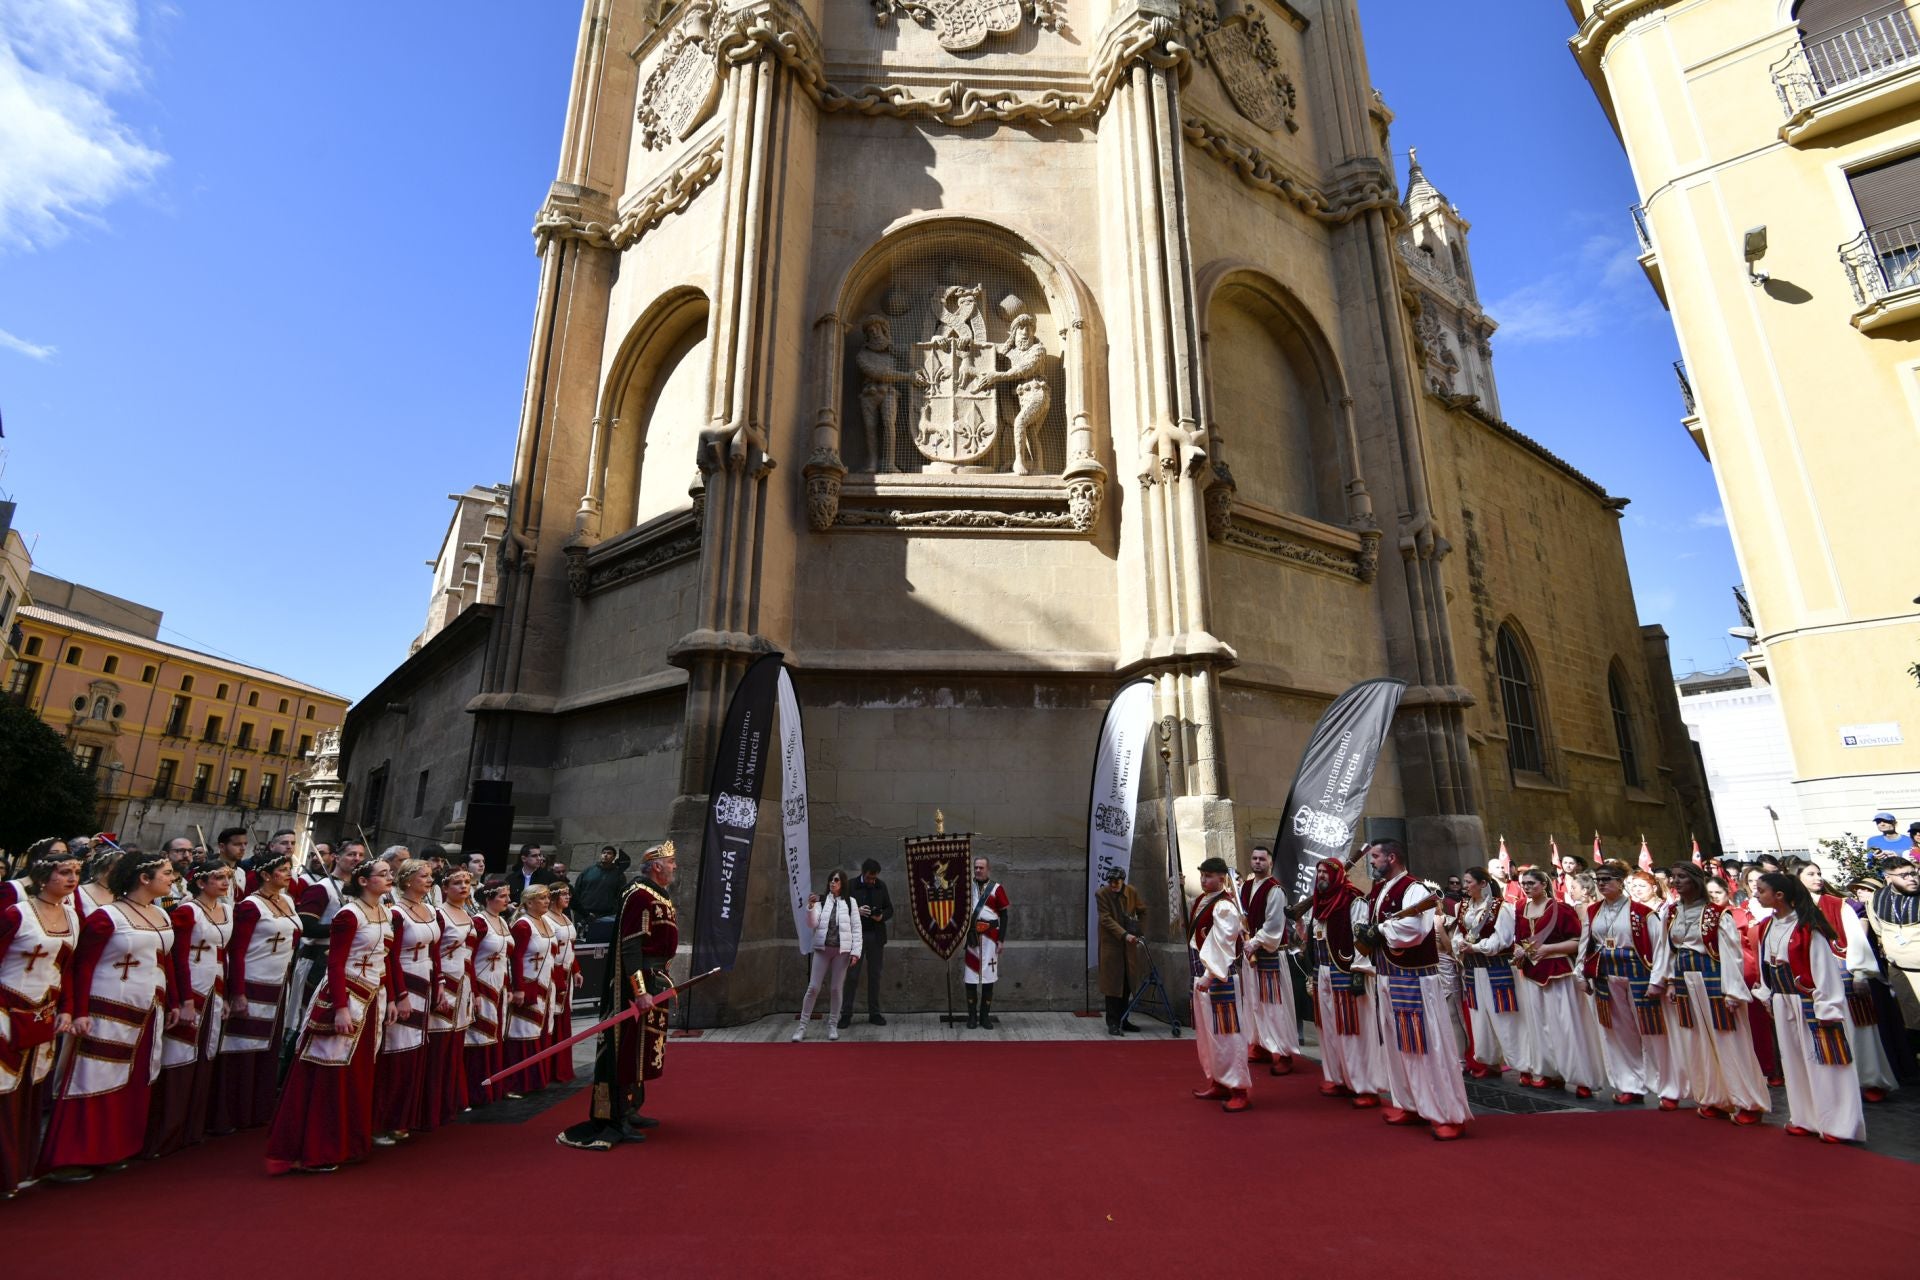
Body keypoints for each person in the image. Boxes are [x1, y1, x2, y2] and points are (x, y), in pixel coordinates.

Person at [38, 850, 183, 1182]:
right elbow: (81, 965)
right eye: (165, 873)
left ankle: (117, 1148)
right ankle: (73, 1156)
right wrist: (77, 1011)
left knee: (134, 1079)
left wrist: (175, 1000)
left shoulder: (162, 916)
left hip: (147, 1010)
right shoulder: (107, 917)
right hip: (106, 1009)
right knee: (93, 1078)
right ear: (143, 878)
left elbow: (166, 961)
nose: (171, 878)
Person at [265, 858, 399, 1175]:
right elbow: (335, 964)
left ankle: (347, 1142)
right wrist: (340, 1007)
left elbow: (386, 960)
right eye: (383, 874)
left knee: (358, 1072)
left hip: (372, 999)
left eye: (390, 874)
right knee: (330, 1070)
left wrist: (391, 997)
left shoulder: (386, 913)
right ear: (364, 881)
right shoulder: (348, 915)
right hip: (346, 996)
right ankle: (316, 1148)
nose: (389, 878)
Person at [558, 843, 680, 1151]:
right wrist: (639, 991)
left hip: (656, 979)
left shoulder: (657, 894)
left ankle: (631, 1106)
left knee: (641, 1046)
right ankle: (615, 1115)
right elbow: (631, 946)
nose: (675, 866)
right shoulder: (638, 895)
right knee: (624, 1048)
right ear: (656, 866)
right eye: (671, 862)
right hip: (635, 986)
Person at [1355, 840, 1469, 1140]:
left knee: (1426, 1046)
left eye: (1376, 857)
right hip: (1388, 977)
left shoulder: (1414, 889)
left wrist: (1379, 931)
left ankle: (1446, 1113)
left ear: (1392, 857)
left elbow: (1415, 932)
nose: (1373, 862)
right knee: (1396, 1045)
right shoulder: (1380, 890)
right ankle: (1410, 1102)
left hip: (1415, 981)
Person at [1754, 872, 1865, 1143]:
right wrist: (1768, 995)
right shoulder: (1767, 926)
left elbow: (1824, 970)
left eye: (1761, 890)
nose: (1756, 894)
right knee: (1794, 1062)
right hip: (1783, 1001)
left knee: (1827, 1062)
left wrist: (1826, 1006)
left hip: (1810, 1002)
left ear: (1779, 895)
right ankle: (1806, 1117)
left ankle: (1839, 1123)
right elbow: (1764, 965)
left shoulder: (1807, 927)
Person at [0, 844, 81, 1198]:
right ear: (43, 877)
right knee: (3, 1090)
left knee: (31, 1091)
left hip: (44, 1012)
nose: (72, 879)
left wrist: (67, 1008)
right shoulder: (17, 914)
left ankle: (20, 1167)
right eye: (65, 873)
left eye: (76, 873)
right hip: (6, 1010)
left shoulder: (73, 917)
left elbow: (68, 969)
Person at [1663, 862, 1769, 1125]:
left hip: (1714, 978)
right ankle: (1714, 1098)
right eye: (1674, 877)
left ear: (1696, 880)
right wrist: (1670, 982)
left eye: (1682, 877)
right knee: (1696, 1040)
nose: (1676, 882)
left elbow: (1730, 955)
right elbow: (1667, 950)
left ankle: (1747, 1102)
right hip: (1685, 978)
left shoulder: (1717, 914)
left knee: (1728, 1040)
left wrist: (1732, 991)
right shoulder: (1672, 913)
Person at [211, 844, 301, 1133]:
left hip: (278, 982)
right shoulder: (251, 906)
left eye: (289, 870)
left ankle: (256, 1109)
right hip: (252, 981)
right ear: (264, 874)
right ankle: (230, 1111)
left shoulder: (286, 901)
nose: (288, 875)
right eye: (282, 870)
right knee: (242, 1047)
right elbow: (237, 951)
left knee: (267, 1047)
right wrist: (237, 991)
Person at [147, 860, 234, 1157]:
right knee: (180, 1055)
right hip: (192, 991)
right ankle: (167, 1131)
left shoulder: (226, 910)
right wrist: (183, 999)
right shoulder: (187, 911)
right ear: (201, 882)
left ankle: (193, 1128)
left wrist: (228, 994)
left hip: (215, 990)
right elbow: (179, 957)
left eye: (228, 877)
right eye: (218, 878)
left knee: (205, 1054)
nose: (224, 882)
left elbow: (225, 955)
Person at [1583, 861, 1679, 1109]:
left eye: (1608, 879)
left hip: (1638, 974)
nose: (1602, 884)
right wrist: (1581, 975)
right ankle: (1630, 1085)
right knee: (1618, 1032)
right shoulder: (1593, 911)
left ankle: (1667, 1088)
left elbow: (1660, 948)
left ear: (1621, 882)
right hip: (1607, 975)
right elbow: (1586, 946)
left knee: (1653, 1032)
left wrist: (1659, 980)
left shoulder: (1641, 912)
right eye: (1599, 880)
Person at [1308, 855, 1385, 1107]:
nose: (1320, 876)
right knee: (1328, 1029)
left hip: (1346, 971)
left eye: (1325, 873)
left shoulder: (1353, 899)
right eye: (1318, 872)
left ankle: (1365, 1086)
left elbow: (1361, 937)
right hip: (1323, 972)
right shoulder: (1318, 902)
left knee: (1354, 1030)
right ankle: (1339, 1077)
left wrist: (1358, 971)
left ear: (1337, 875)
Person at [372, 859, 438, 1144]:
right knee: (396, 1051)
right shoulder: (396, 913)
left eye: (431, 876)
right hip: (405, 983)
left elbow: (435, 953)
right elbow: (390, 957)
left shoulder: (432, 911)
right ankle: (382, 1121)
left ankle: (405, 1116)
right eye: (424, 876)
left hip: (425, 981)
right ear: (408, 880)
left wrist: (440, 986)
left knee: (414, 1051)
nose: (429, 880)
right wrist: (399, 995)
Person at [1188, 857, 1251, 1112]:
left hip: (1219, 978)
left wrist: (1209, 975)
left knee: (1229, 1035)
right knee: (1209, 1036)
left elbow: (1223, 945)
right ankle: (1219, 1081)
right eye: (1202, 875)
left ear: (1222, 879)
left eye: (1209, 876)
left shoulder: (1224, 906)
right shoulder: (1204, 902)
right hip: (1203, 977)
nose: (1204, 880)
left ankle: (1239, 1089)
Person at [291, 839, 365, 1037]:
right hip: (317, 959)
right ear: (336, 858)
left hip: (346, 963)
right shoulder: (322, 888)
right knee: (308, 1020)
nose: (356, 859)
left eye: (360, 855)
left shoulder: (361, 892)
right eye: (351, 854)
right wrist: (341, 929)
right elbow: (305, 926)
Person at [1453, 865, 1521, 1079]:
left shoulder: (1501, 907)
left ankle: (1522, 1065)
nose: (1465, 887)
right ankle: (1490, 1063)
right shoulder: (1463, 907)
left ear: (1483, 884)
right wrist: (1460, 944)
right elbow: (1457, 932)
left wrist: (1476, 947)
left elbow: (1503, 938)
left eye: (1469, 882)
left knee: (1504, 1015)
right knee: (1480, 1016)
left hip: (1496, 967)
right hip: (1473, 969)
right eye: (1464, 882)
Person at [1238, 845, 1299, 1074]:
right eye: (1254, 858)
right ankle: (1261, 1045)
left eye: (1262, 859)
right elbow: (1241, 917)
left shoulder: (1275, 890)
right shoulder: (1245, 887)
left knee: (1274, 1006)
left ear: (1270, 862)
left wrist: (1255, 941)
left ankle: (1284, 1053)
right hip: (1250, 954)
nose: (1257, 862)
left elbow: (1274, 924)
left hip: (1270, 954)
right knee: (1253, 1003)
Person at [428, 868, 477, 1128]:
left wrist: (474, 992)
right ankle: (433, 1105)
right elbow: (433, 953)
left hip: (463, 986)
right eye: (457, 883)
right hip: (445, 985)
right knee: (439, 1045)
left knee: (456, 1043)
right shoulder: (439, 914)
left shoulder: (468, 916)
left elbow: (468, 956)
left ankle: (450, 1101)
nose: (463, 887)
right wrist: (440, 985)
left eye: (467, 882)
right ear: (445, 888)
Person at [500, 884, 559, 1095]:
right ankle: (514, 1083)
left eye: (548, 898)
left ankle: (535, 1080)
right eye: (542, 898)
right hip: (528, 984)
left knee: (540, 1031)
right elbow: (514, 958)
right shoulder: (523, 926)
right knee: (522, 1032)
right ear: (529, 902)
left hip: (545, 985)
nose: (547, 901)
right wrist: (518, 988)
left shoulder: (546, 922)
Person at [794, 870, 862, 1042]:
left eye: (836, 880)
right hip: (822, 950)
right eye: (831, 879)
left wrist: (855, 952)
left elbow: (856, 928)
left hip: (842, 951)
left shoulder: (851, 902)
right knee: (813, 988)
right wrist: (810, 907)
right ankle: (802, 1027)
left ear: (842, 883)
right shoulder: (821, 901)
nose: (833, 882)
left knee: (836, 989)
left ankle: (832, 1026)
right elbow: (812, 924)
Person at [464, 878, 514, 1109]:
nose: (507, 900)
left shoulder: (502, 922)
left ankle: (495, 1085)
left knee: (496, 1036)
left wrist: (509, 987)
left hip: (500, 985)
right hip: (483, 984)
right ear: (489, 898)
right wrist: (473, 991)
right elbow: (469, 959)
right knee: (480, 1037)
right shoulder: (480, 923)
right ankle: (476, 1090)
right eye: (502, 896)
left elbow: (506, 959)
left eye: (507, 895)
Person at [1867, 857, 1920, 1042]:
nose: (1911, 878)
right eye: (1904, 875)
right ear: (1888, 877)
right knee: (1911, 1023)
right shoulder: (1877, 897)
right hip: (1899, 971)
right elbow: (1878, 930)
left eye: (1913, 873)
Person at [840, 858, 894, 1028]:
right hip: (856, 937)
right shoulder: (850, 885)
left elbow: (889, 908)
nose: (872, 881)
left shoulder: (881, 886)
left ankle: (874, 1013)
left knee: (875, 976)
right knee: (852, 976)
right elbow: (840, 908)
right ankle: (846, 1014)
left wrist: (881, 916)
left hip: (876, 937)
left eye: (874, 878)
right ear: (863, 873)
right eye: (870, 877)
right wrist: (856, 911)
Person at [1096, 865, 1147, 1036]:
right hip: (1112, 945)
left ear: (1122, 881)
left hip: (1129, 945)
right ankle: (1112, 1022)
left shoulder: (1131, 891)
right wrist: (1124, 934)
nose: (1112, 885)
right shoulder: (1102, 894)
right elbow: (1106, 918)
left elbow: (1142, 910)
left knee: (1127, 983)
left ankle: (1124, 1019)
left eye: (1115, 882)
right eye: (1110, 882)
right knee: (1113, 986)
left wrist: (1140, 930)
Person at [963, 857, 1010, 1030]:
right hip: (973, 938)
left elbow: (1004, 916)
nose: (978, 870)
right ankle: (972, 1017)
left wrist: (1001, 940)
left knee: (989, 978)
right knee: (971, 978)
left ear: (988, 869)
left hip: (991, 938)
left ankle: (985, 1017)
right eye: (975, 867)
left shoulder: (997, 889)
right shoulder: (968, 889)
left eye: (981, 868)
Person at [547, 881, 582, 1082]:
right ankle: (552, 1068)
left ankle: (563, 1067)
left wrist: (576, 970)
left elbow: (570, 947)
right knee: (553, 1017)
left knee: (564, 1019)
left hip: (568, 973)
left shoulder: (566, 918)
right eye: (563, 894)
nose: (568, 897)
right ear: (553, 897)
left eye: (569, 894)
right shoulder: (547, 920)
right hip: (554, 973)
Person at [574, 846, 631, 923]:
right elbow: (577, 890)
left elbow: (621, 895)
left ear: (614, 857)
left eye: (609, 853)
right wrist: (577, 909)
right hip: (585, 912)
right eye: (604, 853)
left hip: (607, 915)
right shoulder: (588, 871)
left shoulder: (618, 875)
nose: (605, 855)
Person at [213, 828, 250, 906]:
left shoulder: (241, 872)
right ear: (222, 847)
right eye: (237, 844)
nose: (243, 848)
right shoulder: (210, 871)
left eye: (245, 844)